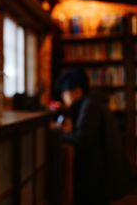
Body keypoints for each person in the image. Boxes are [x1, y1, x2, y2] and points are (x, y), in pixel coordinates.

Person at [55, 68, 132, 205]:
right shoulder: (92, 102)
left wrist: (59, 133)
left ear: (77, 92)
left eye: (64, 93)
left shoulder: (90, 106)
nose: (63, 98)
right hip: (108, 174)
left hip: (103, 179)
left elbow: (82, 140)